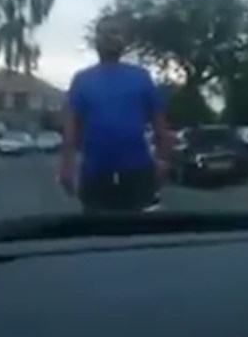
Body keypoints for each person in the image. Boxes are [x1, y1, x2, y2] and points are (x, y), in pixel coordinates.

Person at [58, 15, 172, 214]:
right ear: (96, 41)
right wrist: (66, 168)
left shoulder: (141, 77)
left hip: (138, 171)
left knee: (141, 233)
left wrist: (163, 161)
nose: (110, 38)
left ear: (125, 41)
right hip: (95, 173)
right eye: (104, 33)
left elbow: (160, 125)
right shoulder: (82, 80)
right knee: (98, 234)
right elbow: (70, 130)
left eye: (116, 32)